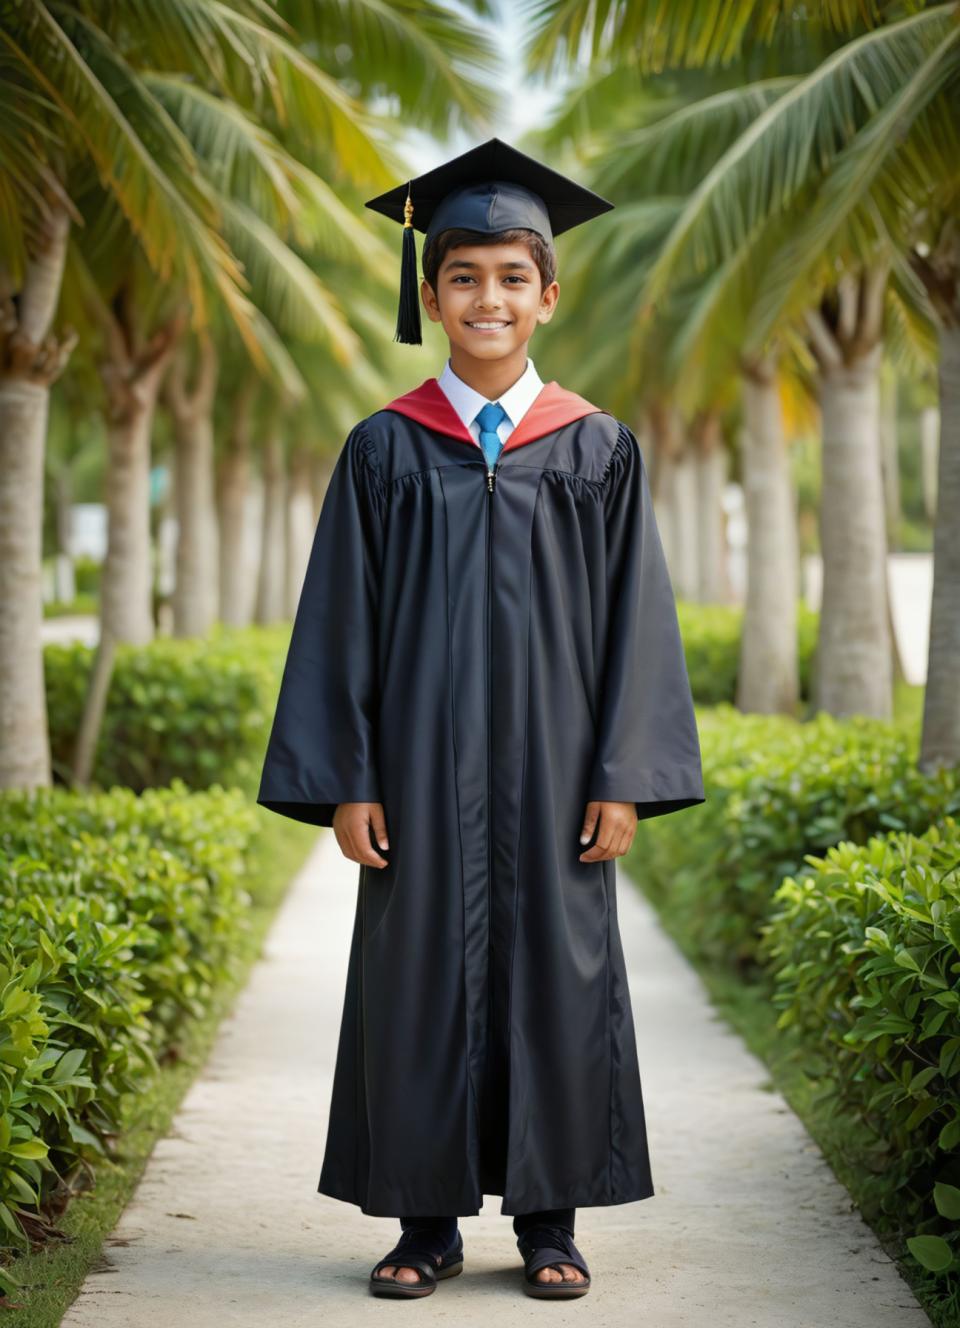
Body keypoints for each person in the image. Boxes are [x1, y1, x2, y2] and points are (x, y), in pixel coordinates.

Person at [257, 137, 705, 1301]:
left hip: (560, 777)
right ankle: (425, 1225)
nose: (488, 298)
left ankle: (551, 1223)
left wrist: (625, 770)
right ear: (430, 293)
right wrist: (349, 776)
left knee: (563, 979)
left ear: (549, 293)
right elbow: (339, 626)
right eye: (464, 277)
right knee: (415, 982)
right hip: (414, 775)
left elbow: (636, 625)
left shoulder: (596, 447)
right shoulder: (385, 449)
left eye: (513, 276)